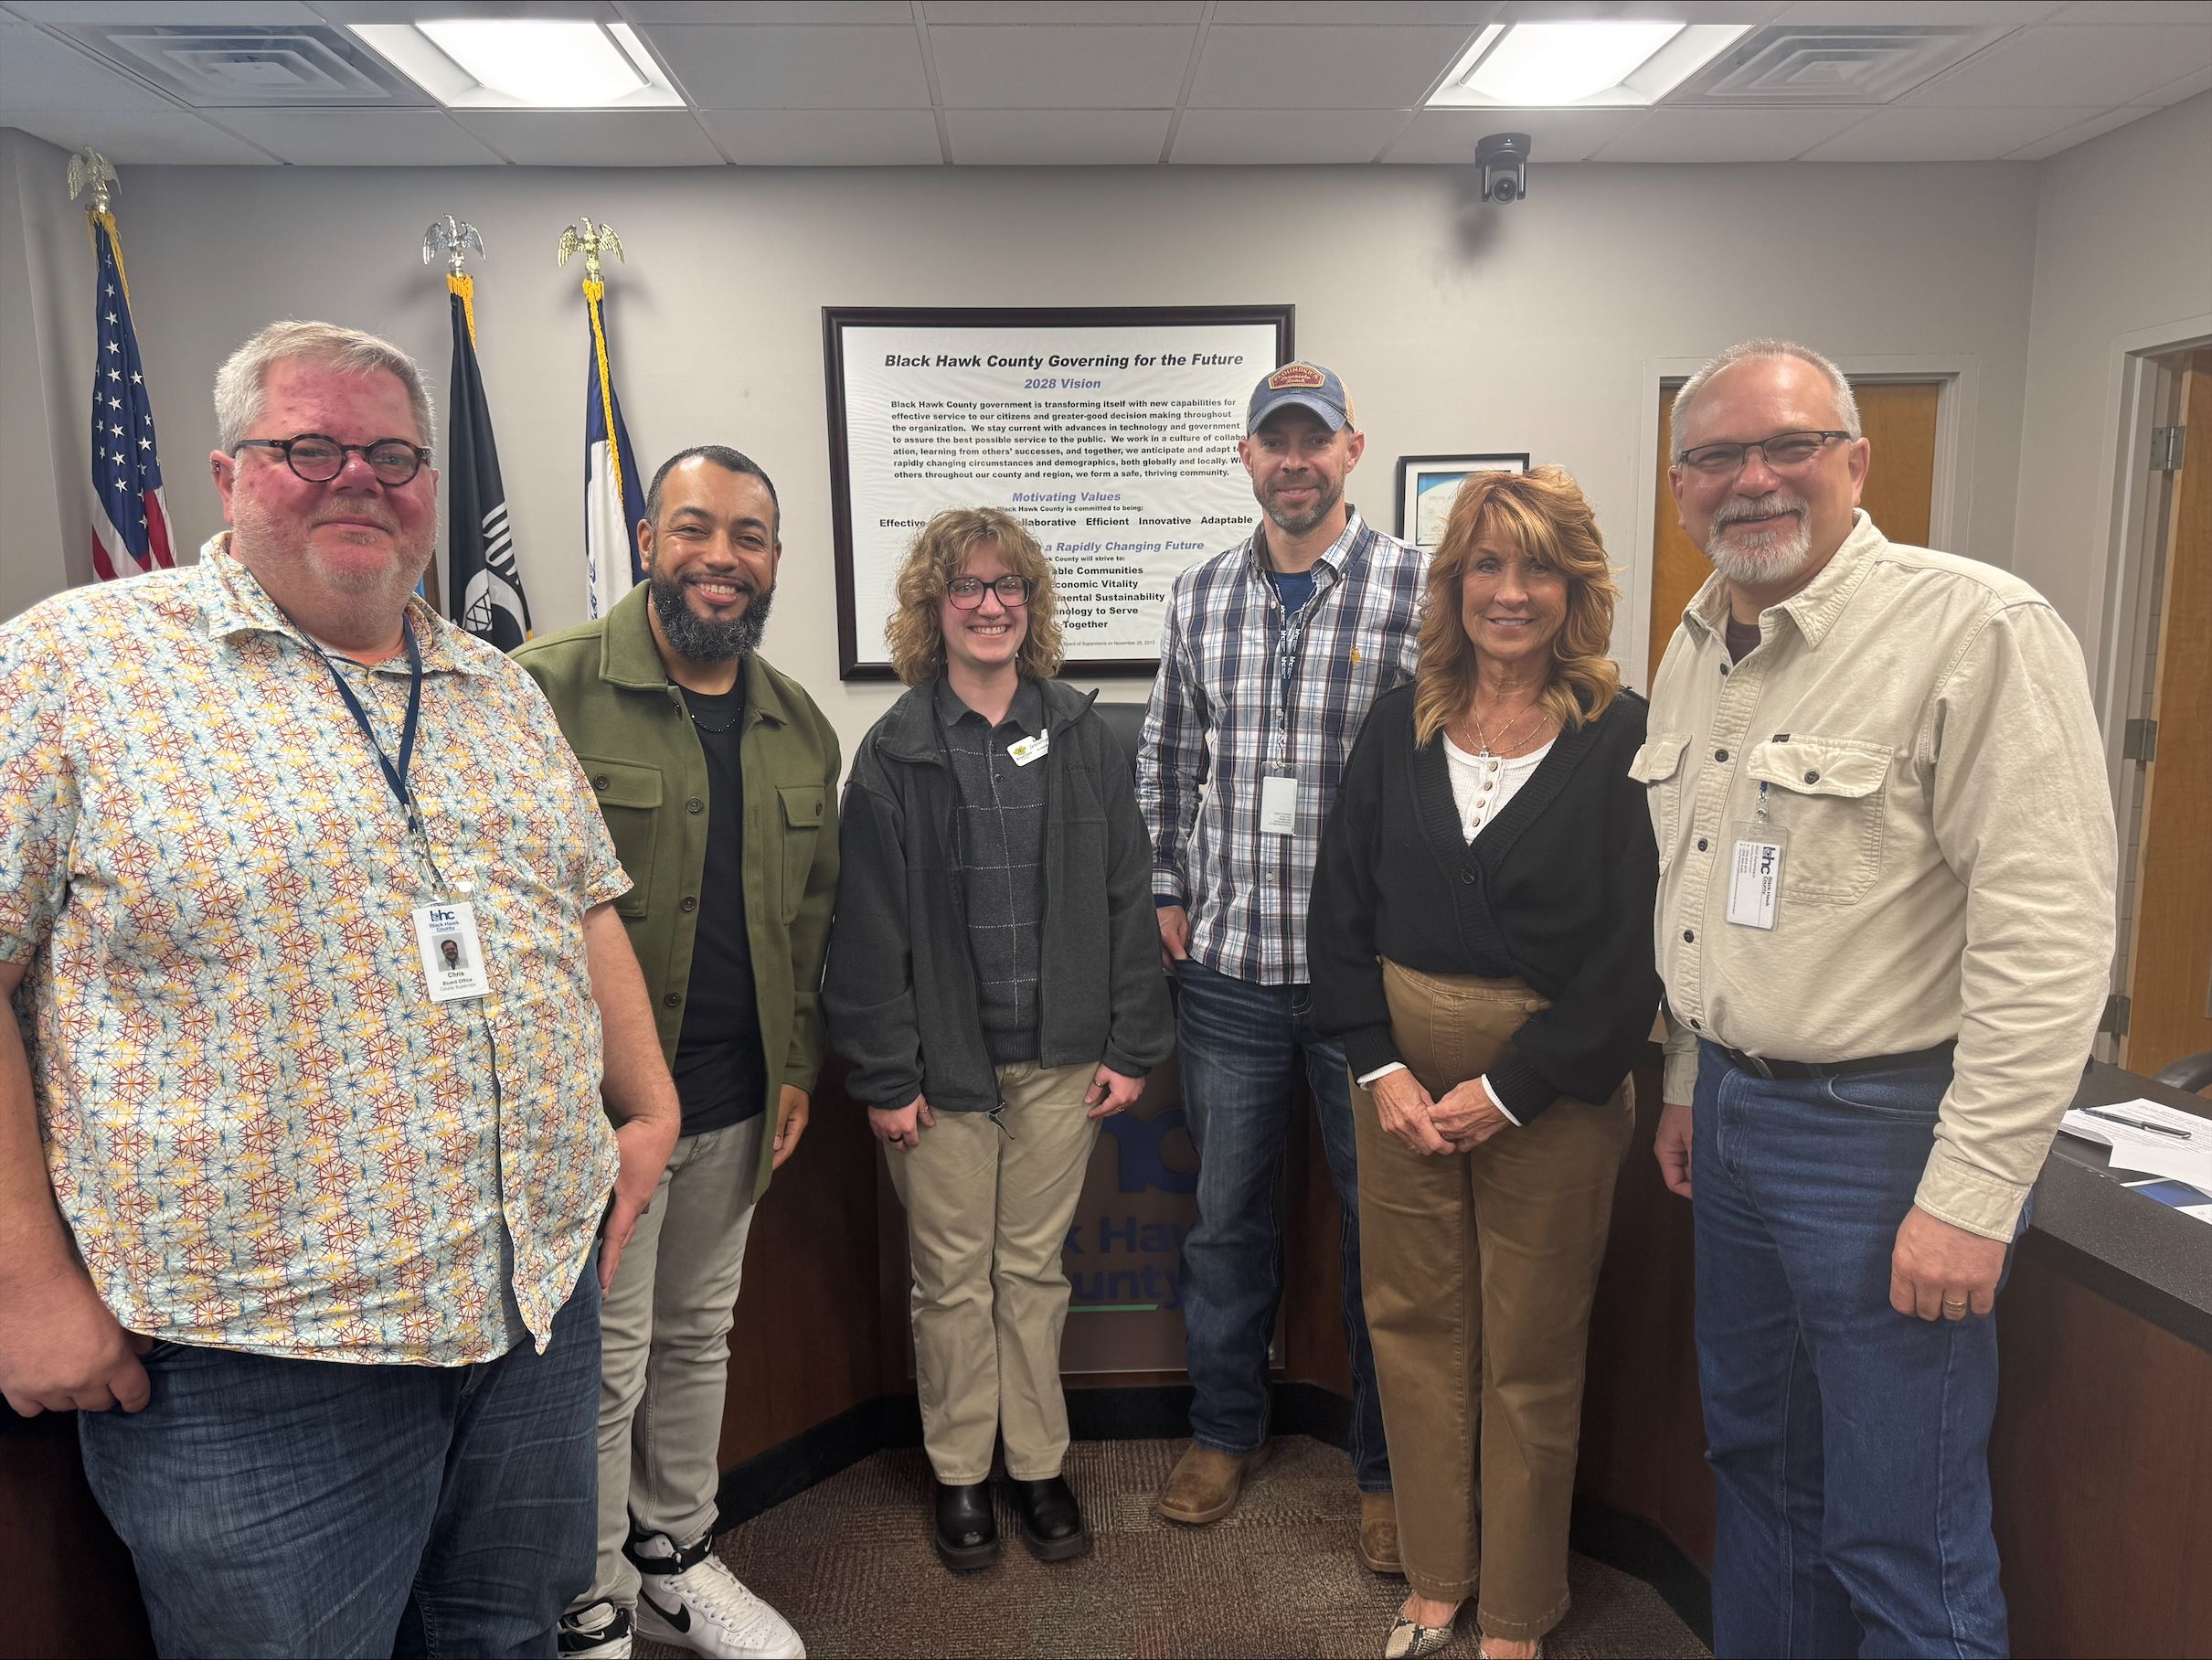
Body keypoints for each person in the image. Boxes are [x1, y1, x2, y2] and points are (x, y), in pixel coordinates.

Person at [0, 320, 679, 1657]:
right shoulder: (68, 669)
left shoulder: (495, 686)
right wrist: (23, 1280)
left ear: (432, 486)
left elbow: (583, 899)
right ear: (228, 473)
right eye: (308, 447)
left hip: (526, 1306)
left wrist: (644, 1105)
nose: (357, 477)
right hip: (259, 1351)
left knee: (511, 1638)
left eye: (392, 454)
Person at [1644, 339, 2116, 1658]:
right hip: (1735, 1117)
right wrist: (1692, 1082)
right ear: (1681, 485)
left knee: (1903, 1530)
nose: (1754, 481)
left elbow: (2052, 938)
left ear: (1855, 461)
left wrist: (1975, 1195)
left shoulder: (1978, 629)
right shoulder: (1697, 644)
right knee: (1761, 1468)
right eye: (1719, 457)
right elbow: (1704, 889)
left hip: (1886, 1138)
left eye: (1788, 446)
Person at [1312, 465, 1661, 1660]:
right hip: (1398, 1097)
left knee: (1527, 1355)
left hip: (1551, 1099)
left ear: (1576, 587)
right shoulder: (1396, 720)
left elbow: (1634, 956)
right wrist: (1380, 1069)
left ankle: (1516, 1610)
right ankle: (1437, 1582)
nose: (1510, 593)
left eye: (1538, 568)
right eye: (1485, 567)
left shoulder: (1625, 735)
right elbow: (1337, 912)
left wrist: (1509, 1090)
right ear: (1452, 585)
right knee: (1410, 1331)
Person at [518, 447, 838, 1660]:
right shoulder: (539, 692)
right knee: (598, 1365)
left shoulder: (799, 725)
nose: (723, 558)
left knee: (699, 1336)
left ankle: (674, 1555)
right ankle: (587, 1599)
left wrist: (797, 1064)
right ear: (649, 540)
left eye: (750, 537)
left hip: (739, 1102)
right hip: (597, 1117)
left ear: (772, 562)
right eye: (697, 528)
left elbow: (807, 921)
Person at [824, 507, 1173, 1573]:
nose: (989, 604)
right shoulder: (893, 753)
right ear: (935, 610)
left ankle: (1035, 1463)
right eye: (966, 587)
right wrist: (884, 1075)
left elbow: (1126, 898)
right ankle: (962, 1473)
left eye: (1007, 586)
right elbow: (867, 934)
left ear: (1031, 604)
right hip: (942, 1071)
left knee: (1030, 1272)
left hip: (1064, 1056)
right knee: (949, 1280)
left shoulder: (1076, 734)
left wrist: (1130, 1044)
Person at [1138, 361, 1422, 1567]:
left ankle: (1387, 1469)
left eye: (1315, 439)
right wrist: (1166, 888)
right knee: (1225, 1220)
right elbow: (1167, 753)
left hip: (1376, 983)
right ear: (1246, 459)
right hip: (1232, 972)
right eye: (1273, 442)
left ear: (1352, 449)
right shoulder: (1200, 595)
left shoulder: (1420, 589)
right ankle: (1224, 1430)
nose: (1294, 460)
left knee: (1385, 1233)